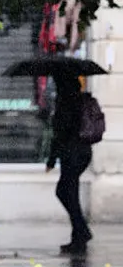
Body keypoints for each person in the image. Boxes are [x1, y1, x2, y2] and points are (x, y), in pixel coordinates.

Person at [46, 74, 92, 254]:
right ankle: (79, 235)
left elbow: (59, 135)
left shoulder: (65, 104)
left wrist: (51, 160)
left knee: (65, 192)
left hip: (71, 154)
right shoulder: (79, 100)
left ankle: (81, 232)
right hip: (82, 152)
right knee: (69, 193)